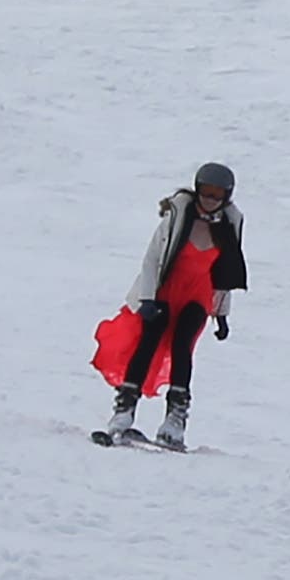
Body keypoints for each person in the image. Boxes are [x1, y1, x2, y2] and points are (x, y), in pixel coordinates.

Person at [91, 163, 246, 447]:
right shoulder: (177, 217)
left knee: (182, 344)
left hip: (198, 294)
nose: (210, 199)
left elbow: (225, 274)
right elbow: (152, 259)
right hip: (166, 290)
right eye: (206, 192)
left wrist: (222, 314)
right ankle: (124, 412)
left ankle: (175, 420)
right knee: (149, 341)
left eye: (217, 194)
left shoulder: (228, 227)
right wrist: (147, 299)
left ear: (227, 196)